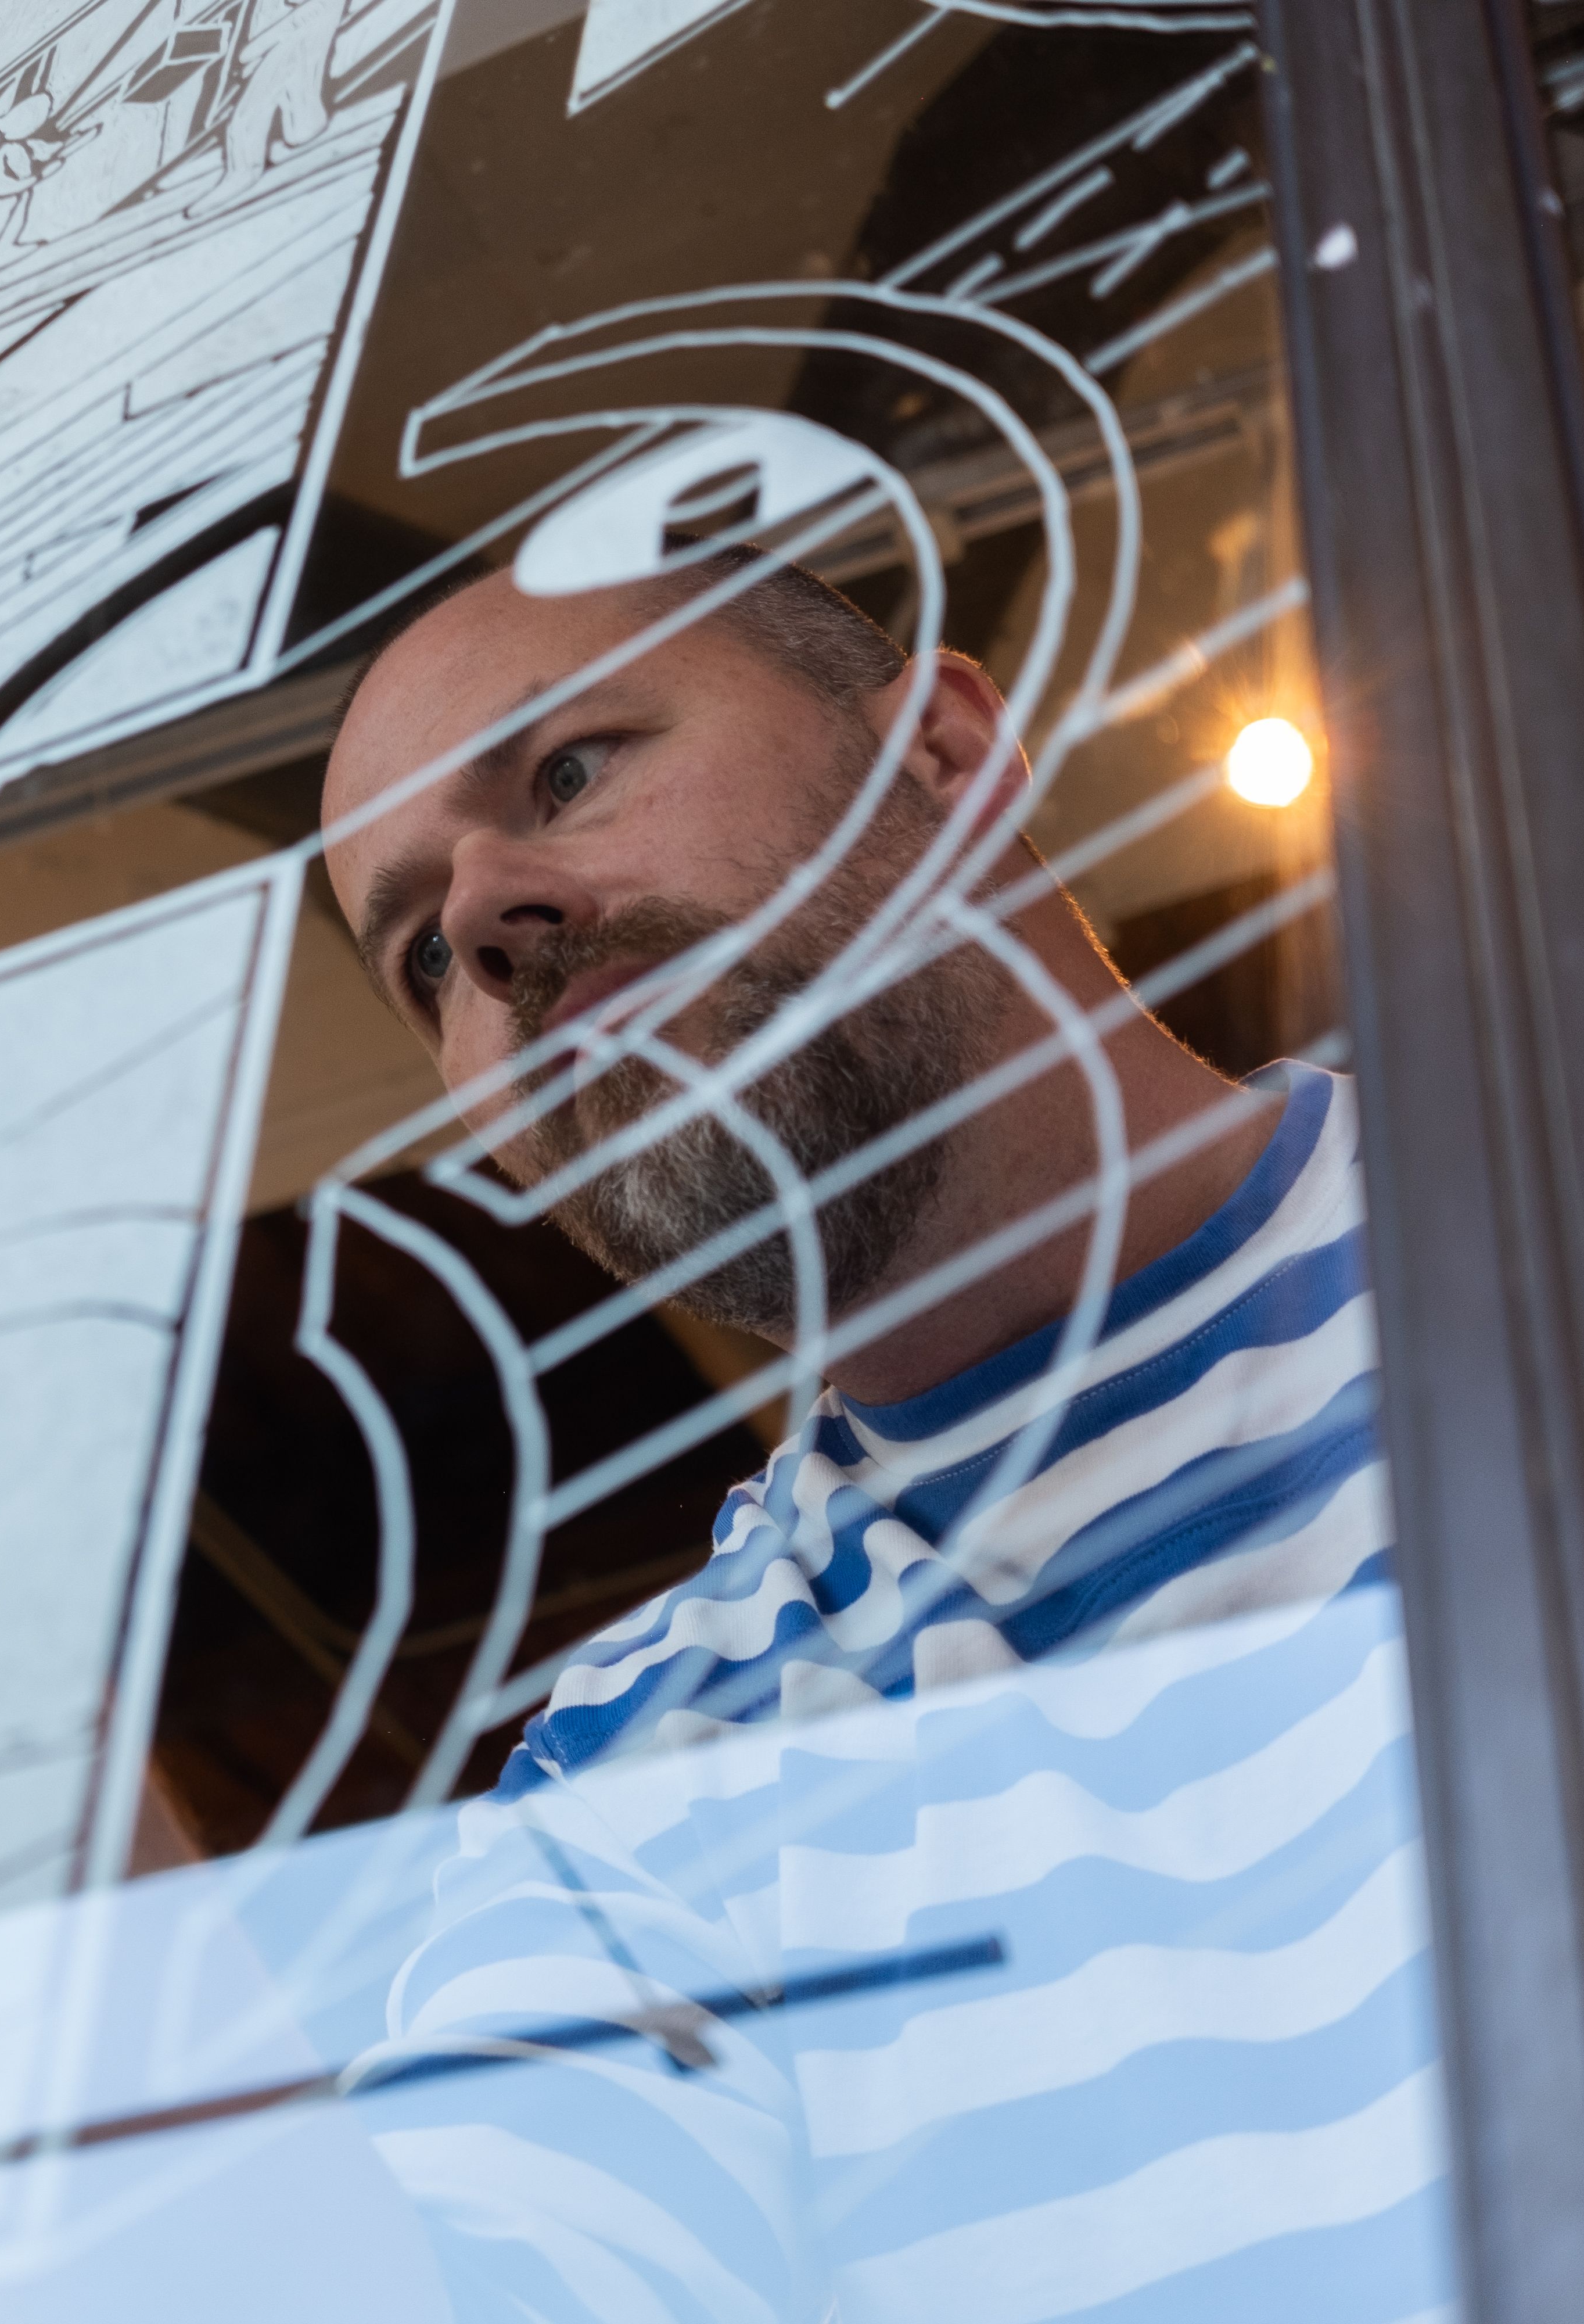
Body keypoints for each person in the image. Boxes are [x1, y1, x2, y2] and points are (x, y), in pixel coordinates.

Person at [313, 553, 1457, 2319]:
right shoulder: (649, 1774)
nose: (481, 922)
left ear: (936, 752)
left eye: (566, 772)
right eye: (417, 957)